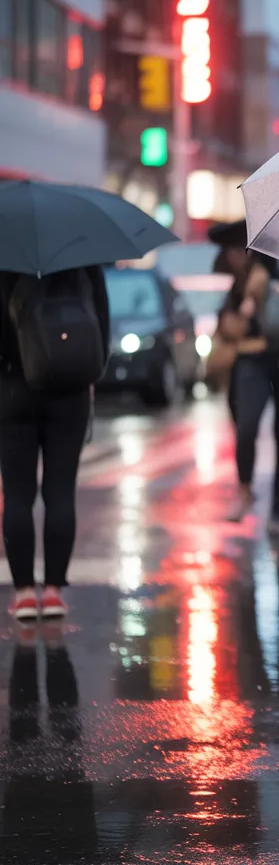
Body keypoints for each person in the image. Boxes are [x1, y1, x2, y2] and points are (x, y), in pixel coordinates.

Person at [0, 265, 110, 621]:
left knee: (17, 494)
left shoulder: (5, 253)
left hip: (11, 385)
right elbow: (101, 321)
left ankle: (24, 594)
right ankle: (52, 592)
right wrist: (92, 371)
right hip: (69, 386)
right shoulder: (80, 255)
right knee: (60, 491)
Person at [213, 227, 279, 533]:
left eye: (239, 250)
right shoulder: (240, 285)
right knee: (246, 428)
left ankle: (277, 509)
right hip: (251, 361)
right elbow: (226, 326)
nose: (234, 257)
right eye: (231, 251)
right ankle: (245, 490)